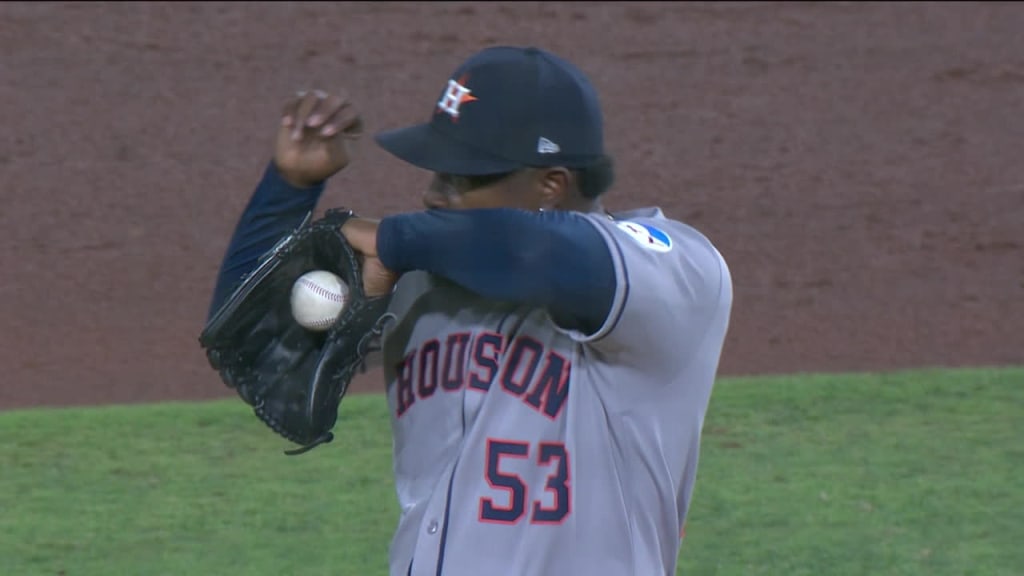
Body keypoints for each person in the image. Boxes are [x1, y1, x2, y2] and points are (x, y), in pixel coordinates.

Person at [207, 45, 733, 576]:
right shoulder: (419, 276)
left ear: (551, 185)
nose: (434, 195)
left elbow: (542, 254)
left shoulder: (671, 271)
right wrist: (289, 188)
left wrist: (391, 237)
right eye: (437, 172)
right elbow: (249, 325)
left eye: (461, 178)